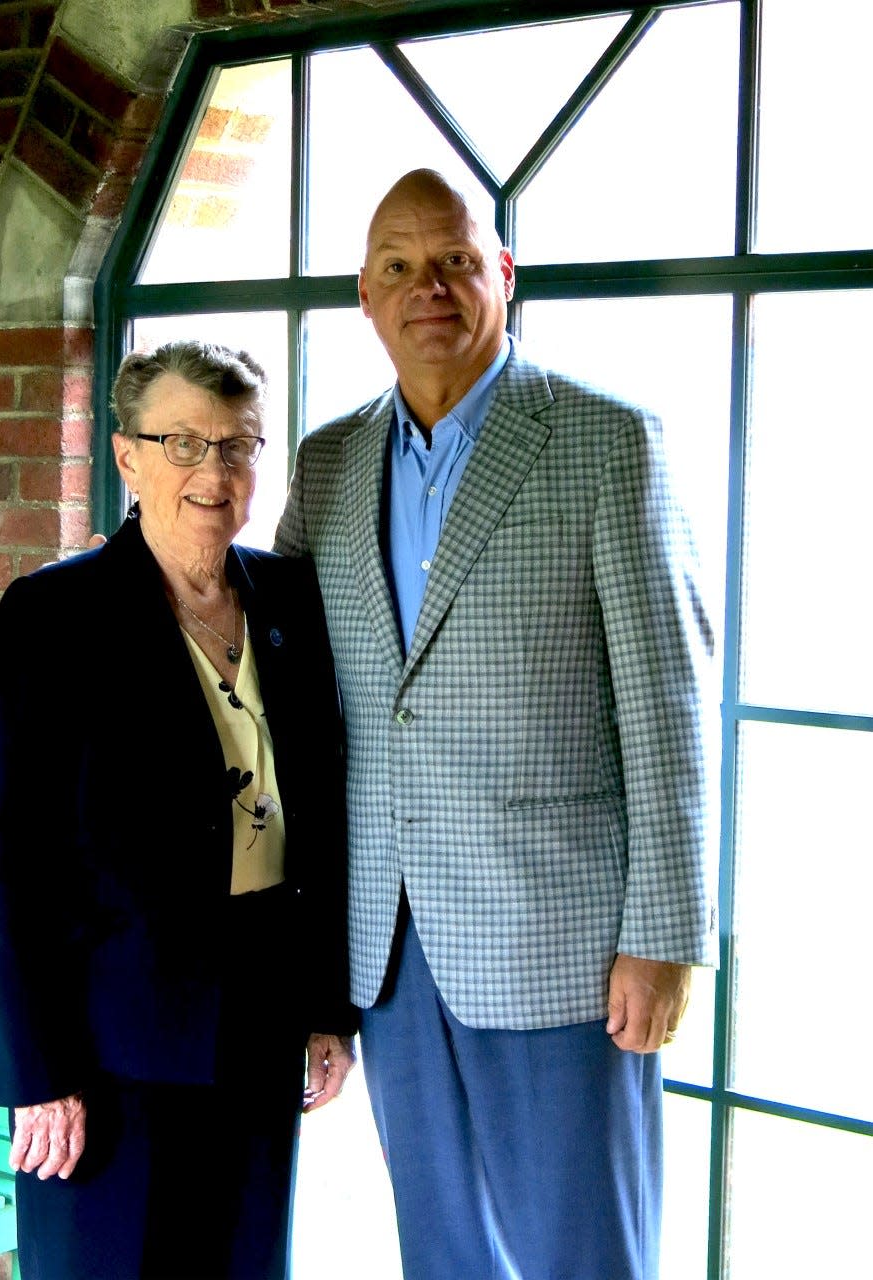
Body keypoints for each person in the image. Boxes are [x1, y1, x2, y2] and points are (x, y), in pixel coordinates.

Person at [272, 169, 718, 1279]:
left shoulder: (607, 441)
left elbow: (669, 705)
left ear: (502, 278)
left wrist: (665, 935)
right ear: (362, 298)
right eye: (397, 267)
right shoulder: (325, 463)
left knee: (584, 1254)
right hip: (388, 942)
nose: (428, 285)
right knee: (443, 1251)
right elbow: (277, 662)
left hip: (563, 945)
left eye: (455, 260)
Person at [0, 339, 356, 1280]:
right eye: (181, 442)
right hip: (107, 1054)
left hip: (259, 1040)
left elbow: (327, 820)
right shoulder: (52, 616)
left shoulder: (292, 603)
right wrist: (37, 1075)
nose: (212, 472)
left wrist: (327, 1007)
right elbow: (4, 862)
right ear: (127, 455)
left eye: (237, 445)